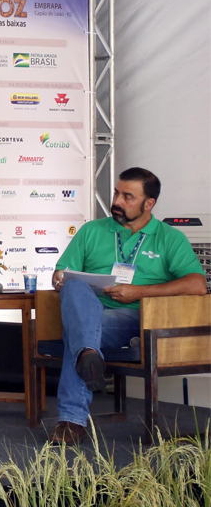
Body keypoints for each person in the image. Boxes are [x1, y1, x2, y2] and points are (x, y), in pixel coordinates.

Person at [49, 168, 205, 444]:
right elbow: (61, 272)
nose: (117, 201)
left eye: (128, 196)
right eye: (116, 193)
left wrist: (139, 292)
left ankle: (72, 418)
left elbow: (196, 285)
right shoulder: (91, 230)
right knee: (75, 290)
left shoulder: (169, 237)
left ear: (149, 204)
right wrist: (60, 277)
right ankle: (88, 354)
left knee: (76, 333)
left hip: (139, 319)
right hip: (91, 314)